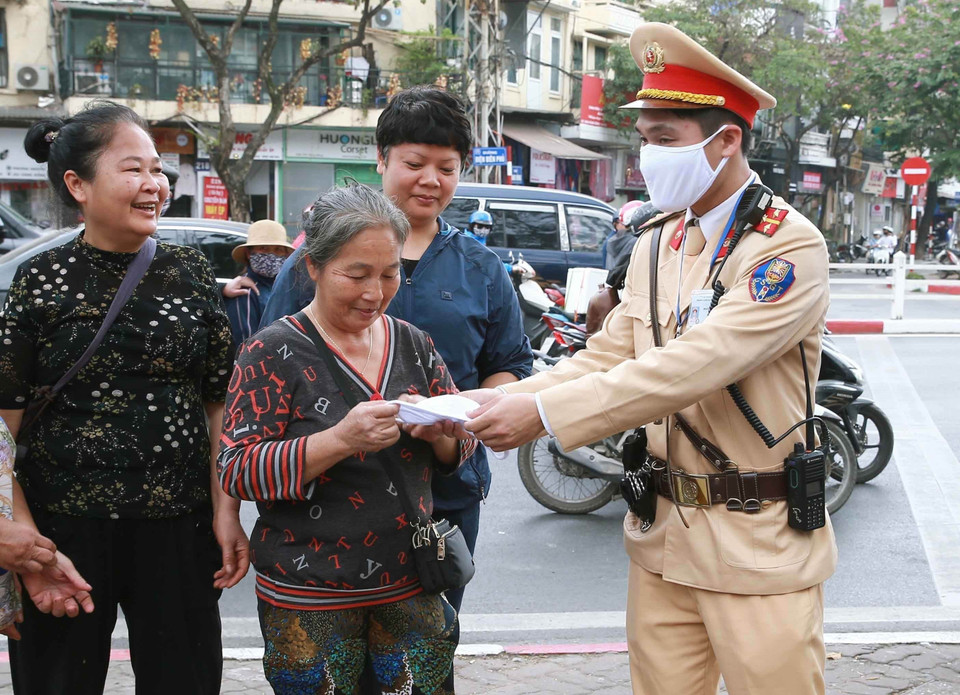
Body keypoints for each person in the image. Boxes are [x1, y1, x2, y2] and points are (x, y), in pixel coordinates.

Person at [464, 23, 837, 695]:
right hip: (663, 536)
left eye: (664, 139)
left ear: (726, 143)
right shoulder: (657, 243)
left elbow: (695, 364)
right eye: (643, 138)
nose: (646, 157)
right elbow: (610, 353)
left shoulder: (785, 248)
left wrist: (544, 412)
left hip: (756, 545)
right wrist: (506, 400)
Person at [259, 86, 533, 667]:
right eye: (414, 163)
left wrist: (462, 415)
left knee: (424, 658)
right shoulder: (311, 261)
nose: (430, 180)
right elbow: (265, 370)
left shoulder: (481, 267)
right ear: (381, 160)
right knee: (330, 666)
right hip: (327, 502)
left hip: (442, 495)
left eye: (447, 168)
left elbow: (509, 365)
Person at [0, 101, 249, 695]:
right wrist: (19, 532)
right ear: (77, 185)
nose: (154, 185)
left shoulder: (190, 272)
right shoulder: (42, 279)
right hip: (63, 533)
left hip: (179, 527)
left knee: (183, 680)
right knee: (59, 682)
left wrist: (225, 510)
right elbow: (3, 421)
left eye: (158, 170)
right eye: (133, 169)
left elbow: (218, 406)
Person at [219, 183, 477, 694]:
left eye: (389, 274)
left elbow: (462, 444)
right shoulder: (272, 351)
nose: (374, 292)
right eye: (356, 274)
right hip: (309, 595)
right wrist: (340, 438)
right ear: (312, 266)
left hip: (410, 586)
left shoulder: (413, 343)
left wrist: (444, 434)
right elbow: (239, 469)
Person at [223, 219, 294, 353]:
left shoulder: (285, 288)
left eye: (278, 250)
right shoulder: (244, 292)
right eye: (264, 248)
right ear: (249, 254)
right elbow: (247, 349)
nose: (271, 255)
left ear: (285, 255)